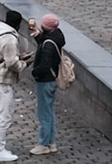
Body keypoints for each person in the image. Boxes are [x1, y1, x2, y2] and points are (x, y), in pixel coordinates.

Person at [0, 7, 27, 163]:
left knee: (1, 114)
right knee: (4, 116)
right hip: (0, 80)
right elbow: (11, 63)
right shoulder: (9, 38)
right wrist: (23, 64)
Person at [28, 13, 67, 155]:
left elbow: (44, 64)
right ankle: (51, 142)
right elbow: (45, 42)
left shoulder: (49, 45)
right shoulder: (56, 37)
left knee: (44, 113)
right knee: (49, 112)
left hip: (46, 80)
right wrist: (38, 35)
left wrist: (34, 72)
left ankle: (43, 143)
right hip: (52, 79)